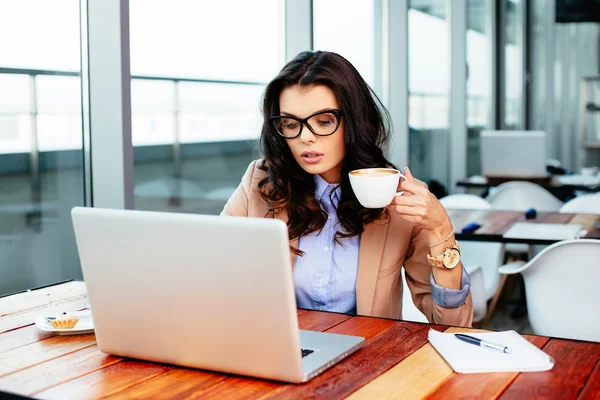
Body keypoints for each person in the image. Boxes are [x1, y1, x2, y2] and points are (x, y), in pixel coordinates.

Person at [221, 51, 473, 327]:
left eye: (324, 121)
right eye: (291, 124)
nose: (305, 137)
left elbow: (453, 324)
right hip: (278, 353)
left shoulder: (397, 196)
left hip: (367, 359)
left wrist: (440, 230)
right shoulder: (260, 183)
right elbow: (212, 272)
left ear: (354, 121)